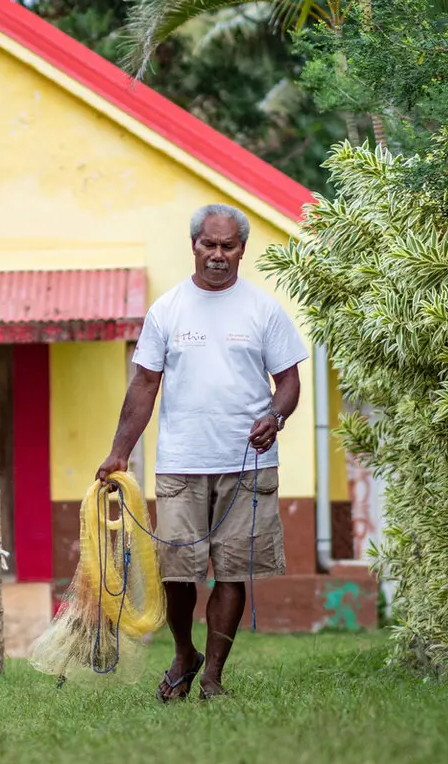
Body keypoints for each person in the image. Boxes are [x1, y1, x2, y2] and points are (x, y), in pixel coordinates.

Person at [97, 204, 308, 702]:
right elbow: (145, 384)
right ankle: (183, 653)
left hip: (247, 466)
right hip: (181, 465)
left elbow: (290, 382)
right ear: (193, 245)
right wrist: (119, 452)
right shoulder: (167, 310)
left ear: (242, 249)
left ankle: (212, 675)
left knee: (232, 571)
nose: (218, 255)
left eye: (228, 246)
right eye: (209, 245)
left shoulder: (262, 309)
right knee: (179, 573)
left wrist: (274, 418)